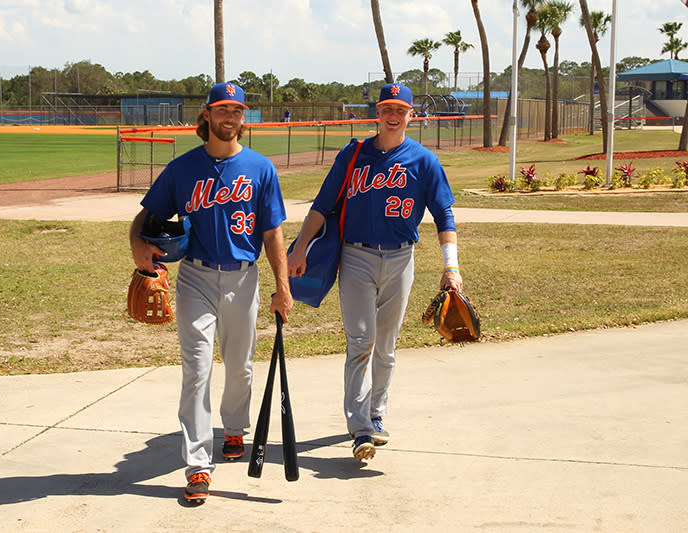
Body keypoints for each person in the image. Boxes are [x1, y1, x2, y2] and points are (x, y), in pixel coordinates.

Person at [129, 82, 293, 501]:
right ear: (207, 116)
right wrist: (139, 251)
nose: (230, 117)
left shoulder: (260, 168)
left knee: (240, 366)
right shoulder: (183, 169)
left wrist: (282, 288)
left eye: (236, 110)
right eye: (222, 109)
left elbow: (273, 232)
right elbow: (145, 217)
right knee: (197, 369)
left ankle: (234, 428)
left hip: (244, 275)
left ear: (244, 117)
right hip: (196, 278)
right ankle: (198, 465)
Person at [286, 83, 463, 461]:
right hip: (356, 257)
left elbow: (444, 213)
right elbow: (322, 204)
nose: (393, 115)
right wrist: (300, 246)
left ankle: (377, 416)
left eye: (401, 109)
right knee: (361, 341)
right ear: (378, 113)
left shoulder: (424, 161)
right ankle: (361, 428)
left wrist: (452, 266)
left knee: (386, 345)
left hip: (401, 258)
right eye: (387, 108)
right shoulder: (355, 155)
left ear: (412, 115)